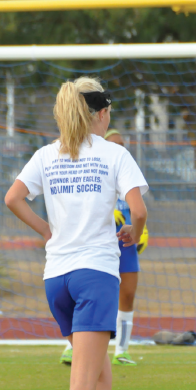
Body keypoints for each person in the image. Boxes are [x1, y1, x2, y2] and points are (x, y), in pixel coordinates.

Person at [5, 77, 148, 390]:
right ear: (101, 114)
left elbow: (13, 198)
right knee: (82, 386)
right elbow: (138, 210)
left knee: (101, 378)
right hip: (95, 277)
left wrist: (48, 231)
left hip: (57, 281)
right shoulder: (114, 153)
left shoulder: (47, 154)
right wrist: (133, 234)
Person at [59, 127, 147, 367]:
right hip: (96, 247)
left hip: (125, 247)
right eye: (114, 143)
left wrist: (141, 233)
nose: (119, 148)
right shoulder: (94, 172)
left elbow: (139, 212)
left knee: (127, 296)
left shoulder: (128, 175)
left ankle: (122, 350)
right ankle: (71, 347)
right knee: (89, 299)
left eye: (122, 144)